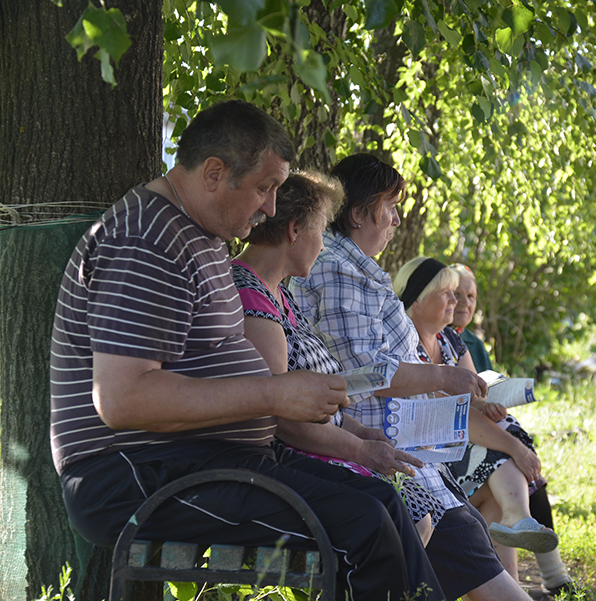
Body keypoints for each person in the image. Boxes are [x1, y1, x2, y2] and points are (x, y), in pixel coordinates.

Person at [49, 101, 445, 601]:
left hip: (200, 461)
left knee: (378, 502)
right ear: (214, 173)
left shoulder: (202, 235)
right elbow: (123, 399)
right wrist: (273, 395)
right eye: (265, 188)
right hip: (134, 476)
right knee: (363, 525)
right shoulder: (144, 239)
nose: (272, 210)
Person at [291, 153, 533, 601]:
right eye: (390, 206)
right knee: (478, 563)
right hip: (381, 458)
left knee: (472, 539)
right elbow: (362, 375)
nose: (398, 219)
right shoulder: (337, 271)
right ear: (360, 212)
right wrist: (442, 377)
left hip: (406, 456)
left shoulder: (357, 269)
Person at [231, 170, 444, 543]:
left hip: (315, 450)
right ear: (295, 232)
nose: (324, 244)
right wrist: (361, 449)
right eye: (321, 230)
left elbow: (312, 399)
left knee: (416, 508)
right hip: (281, 466)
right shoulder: (251, 296)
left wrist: (363, 434)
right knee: (399, 513)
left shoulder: (281, 296)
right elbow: (281, 419)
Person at [394, 256, 558, 583]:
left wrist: (490, 406)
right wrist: (516, 447)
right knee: (501, 456)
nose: (456, 302)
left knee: (497, 477)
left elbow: (476, 398)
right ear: (417, 298)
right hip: (432, 457)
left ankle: (512, 549)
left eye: (461, 295)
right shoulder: (405, 345)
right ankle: (521, 531)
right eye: (448, 294)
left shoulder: (450, 340)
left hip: (463, 450)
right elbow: (454, 417)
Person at [451, 263, 578, 597]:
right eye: (456, 295)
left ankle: (526, 564)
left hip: (482, 429)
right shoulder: (431, 340)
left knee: (519, 458)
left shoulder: (471, 343)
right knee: (515, 455)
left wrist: (492, 402)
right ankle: (549, 567)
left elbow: (484, 384)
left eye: (471, 296)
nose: (464, 303)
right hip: (461, 438)